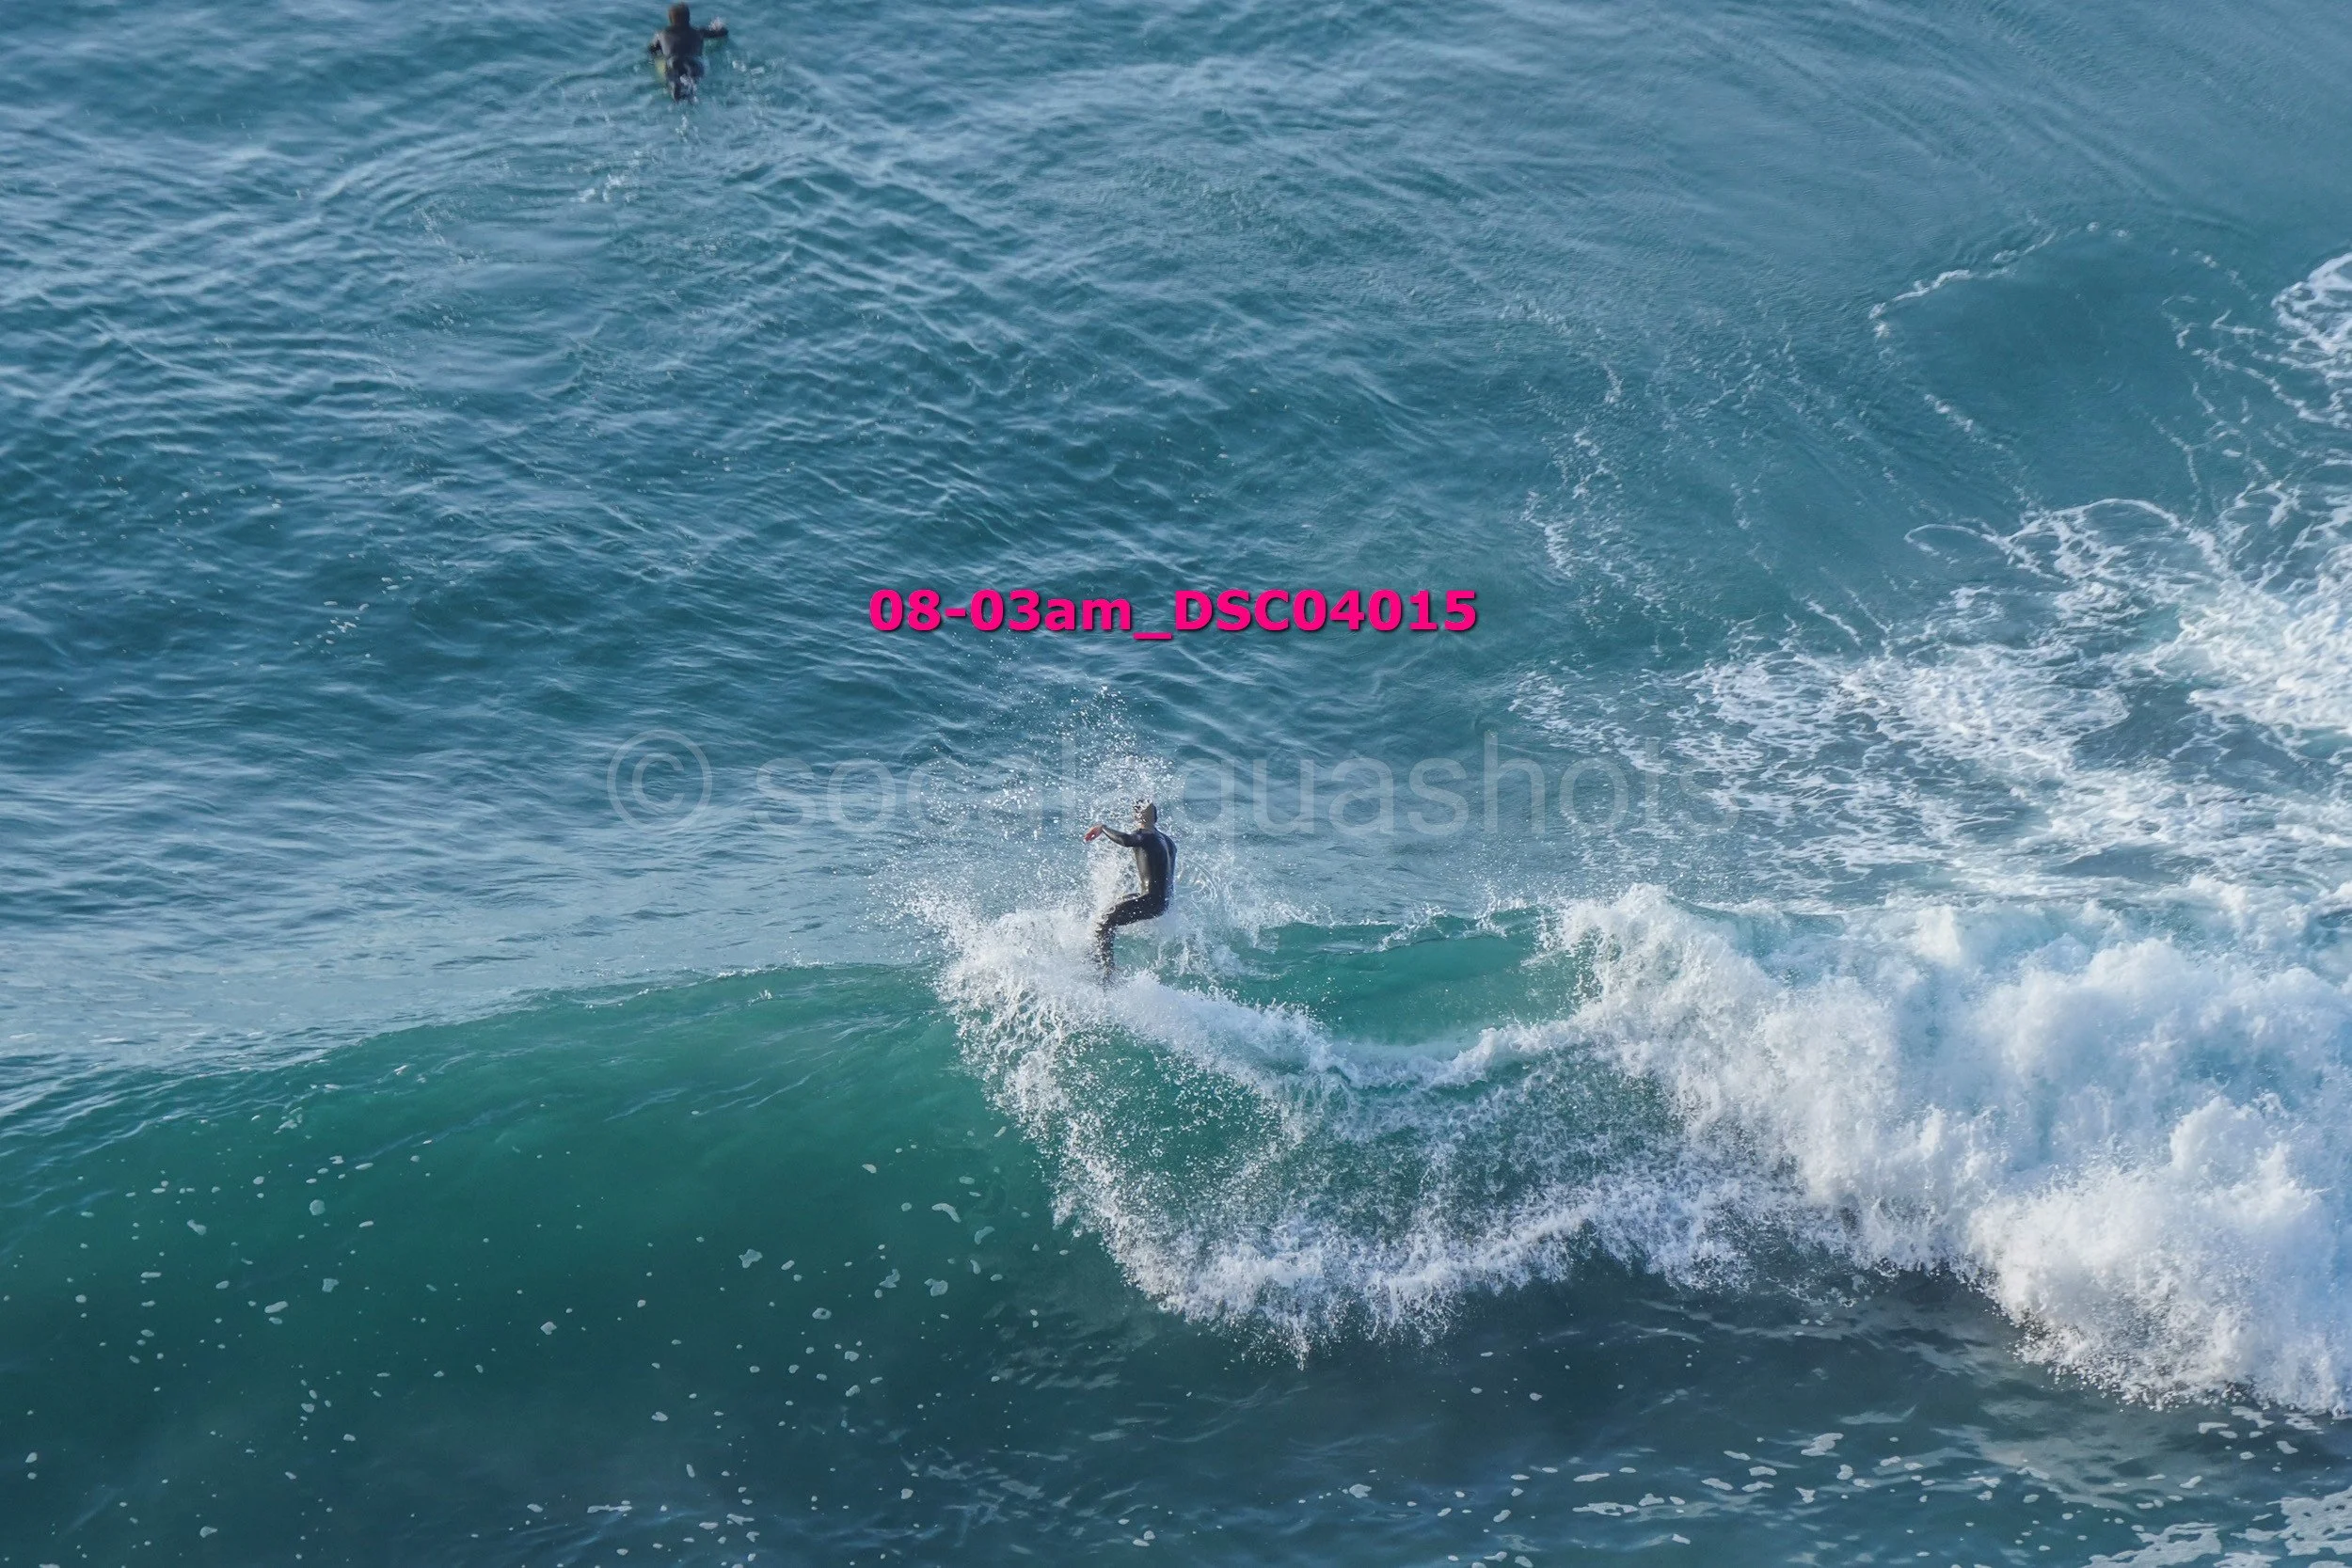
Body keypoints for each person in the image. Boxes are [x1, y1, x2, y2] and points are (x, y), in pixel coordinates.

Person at [1083, 802, 1176, 976]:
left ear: (1136, 817)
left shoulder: (1145, 837)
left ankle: (1107, 970)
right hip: (1162, 902)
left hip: (1150, 901)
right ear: (1156, 818)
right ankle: (1097, 954)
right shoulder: (1167, 841)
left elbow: (1126, 840)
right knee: (1117, 903)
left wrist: (1102, 828)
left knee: (1105, 923)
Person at [648, 3, 727, 95]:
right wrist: (719, 26)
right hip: (694, 63)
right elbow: (722, 33)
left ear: (670, 19)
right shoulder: (699, 32)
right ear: (688, 19)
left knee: (675, 86)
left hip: (673, 63)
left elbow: (651, 50)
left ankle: (676, 93)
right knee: (692, 88)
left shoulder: (661, 34)